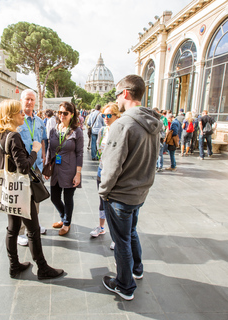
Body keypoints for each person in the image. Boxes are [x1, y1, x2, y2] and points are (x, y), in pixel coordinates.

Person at [99, 74, 161, 301]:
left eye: (117, 94)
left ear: (125, 93)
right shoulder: (154, 122)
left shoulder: (123, 124)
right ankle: (137, 268)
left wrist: (103, 191)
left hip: (121, 195)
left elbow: (112, 165)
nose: (116, 99)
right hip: (139, 192)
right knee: (131, 232)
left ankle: (125, 285)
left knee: (121, 241)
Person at [0, 99, 64, 280]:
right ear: (11, 115)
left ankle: (14, 265)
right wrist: (35, 151)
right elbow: (23, 167)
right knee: (32, 230)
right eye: (20, 112)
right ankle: (42, 267)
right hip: (21, 190)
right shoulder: (13, 136)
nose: (23, 114)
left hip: (8, 189)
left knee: (12, 228)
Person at [45, 102, 83, 236]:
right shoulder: (53, 130)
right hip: (55, 169)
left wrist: (78, 174)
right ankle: (63, 217)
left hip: (70, 170)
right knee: (54, 198)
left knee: (68, 198)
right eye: (59, 112)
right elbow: (50, 150)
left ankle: (66, 223)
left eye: (65, 113)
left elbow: (79, 153)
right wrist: (47, 167)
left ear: (72, 114)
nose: (62, 115)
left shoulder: (77, 131)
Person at [17, 89, 47, 246]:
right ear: (21, 100)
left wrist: (44, 157)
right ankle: (21, 231)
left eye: (32, 100)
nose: (29, 102)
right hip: (23, 167)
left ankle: (34, 225)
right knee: (23, 199)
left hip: (37, 166)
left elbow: (42, 141)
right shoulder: (17, 120)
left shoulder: (40, 121)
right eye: (27, 99)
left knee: (37, 197)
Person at [90, 103, 120, 242]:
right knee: (102, 200)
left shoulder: (120, 131)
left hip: (114, 173)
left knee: (114, 203)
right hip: (101, 169)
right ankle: (101, 227)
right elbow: (99, 150)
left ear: (116, 116)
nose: (106, 118)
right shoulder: (102, 131)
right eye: (104, 115)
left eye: (109, 115)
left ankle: (116, 236)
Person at [153, 107, 166, 172]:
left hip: (158, 138)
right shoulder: (160, 121)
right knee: (158, 153)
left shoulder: (158, 121)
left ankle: (159, 166)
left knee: (159, 153)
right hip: (158, 138)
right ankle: (157, 166)